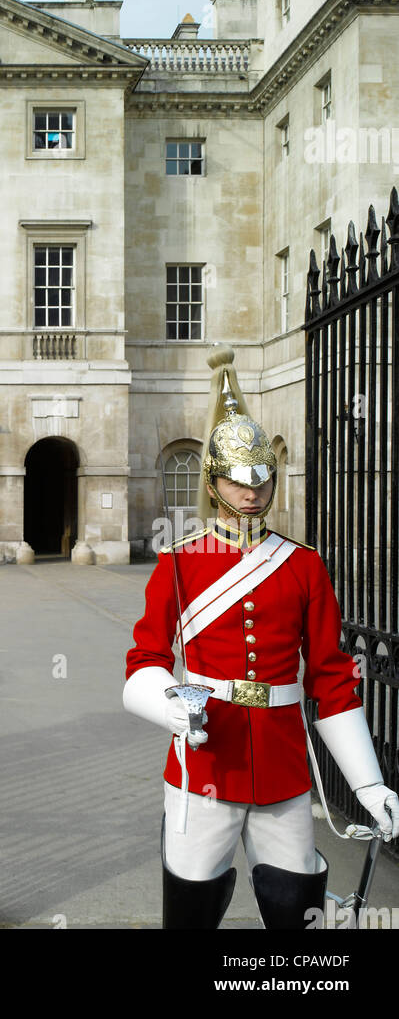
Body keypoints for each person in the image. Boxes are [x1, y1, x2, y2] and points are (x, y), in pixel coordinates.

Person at [124, 346, 399, 929]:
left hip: (282, 764)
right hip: (205, 762)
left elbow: (329, 677)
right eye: (237, 479)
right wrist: (171, 706)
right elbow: (145, 658)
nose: (251, 491)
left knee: (293, 908)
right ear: (214, 480)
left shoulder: (303, 566)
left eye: (260, 478)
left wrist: (368, 783)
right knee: (191, 910)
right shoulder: (179, 563)